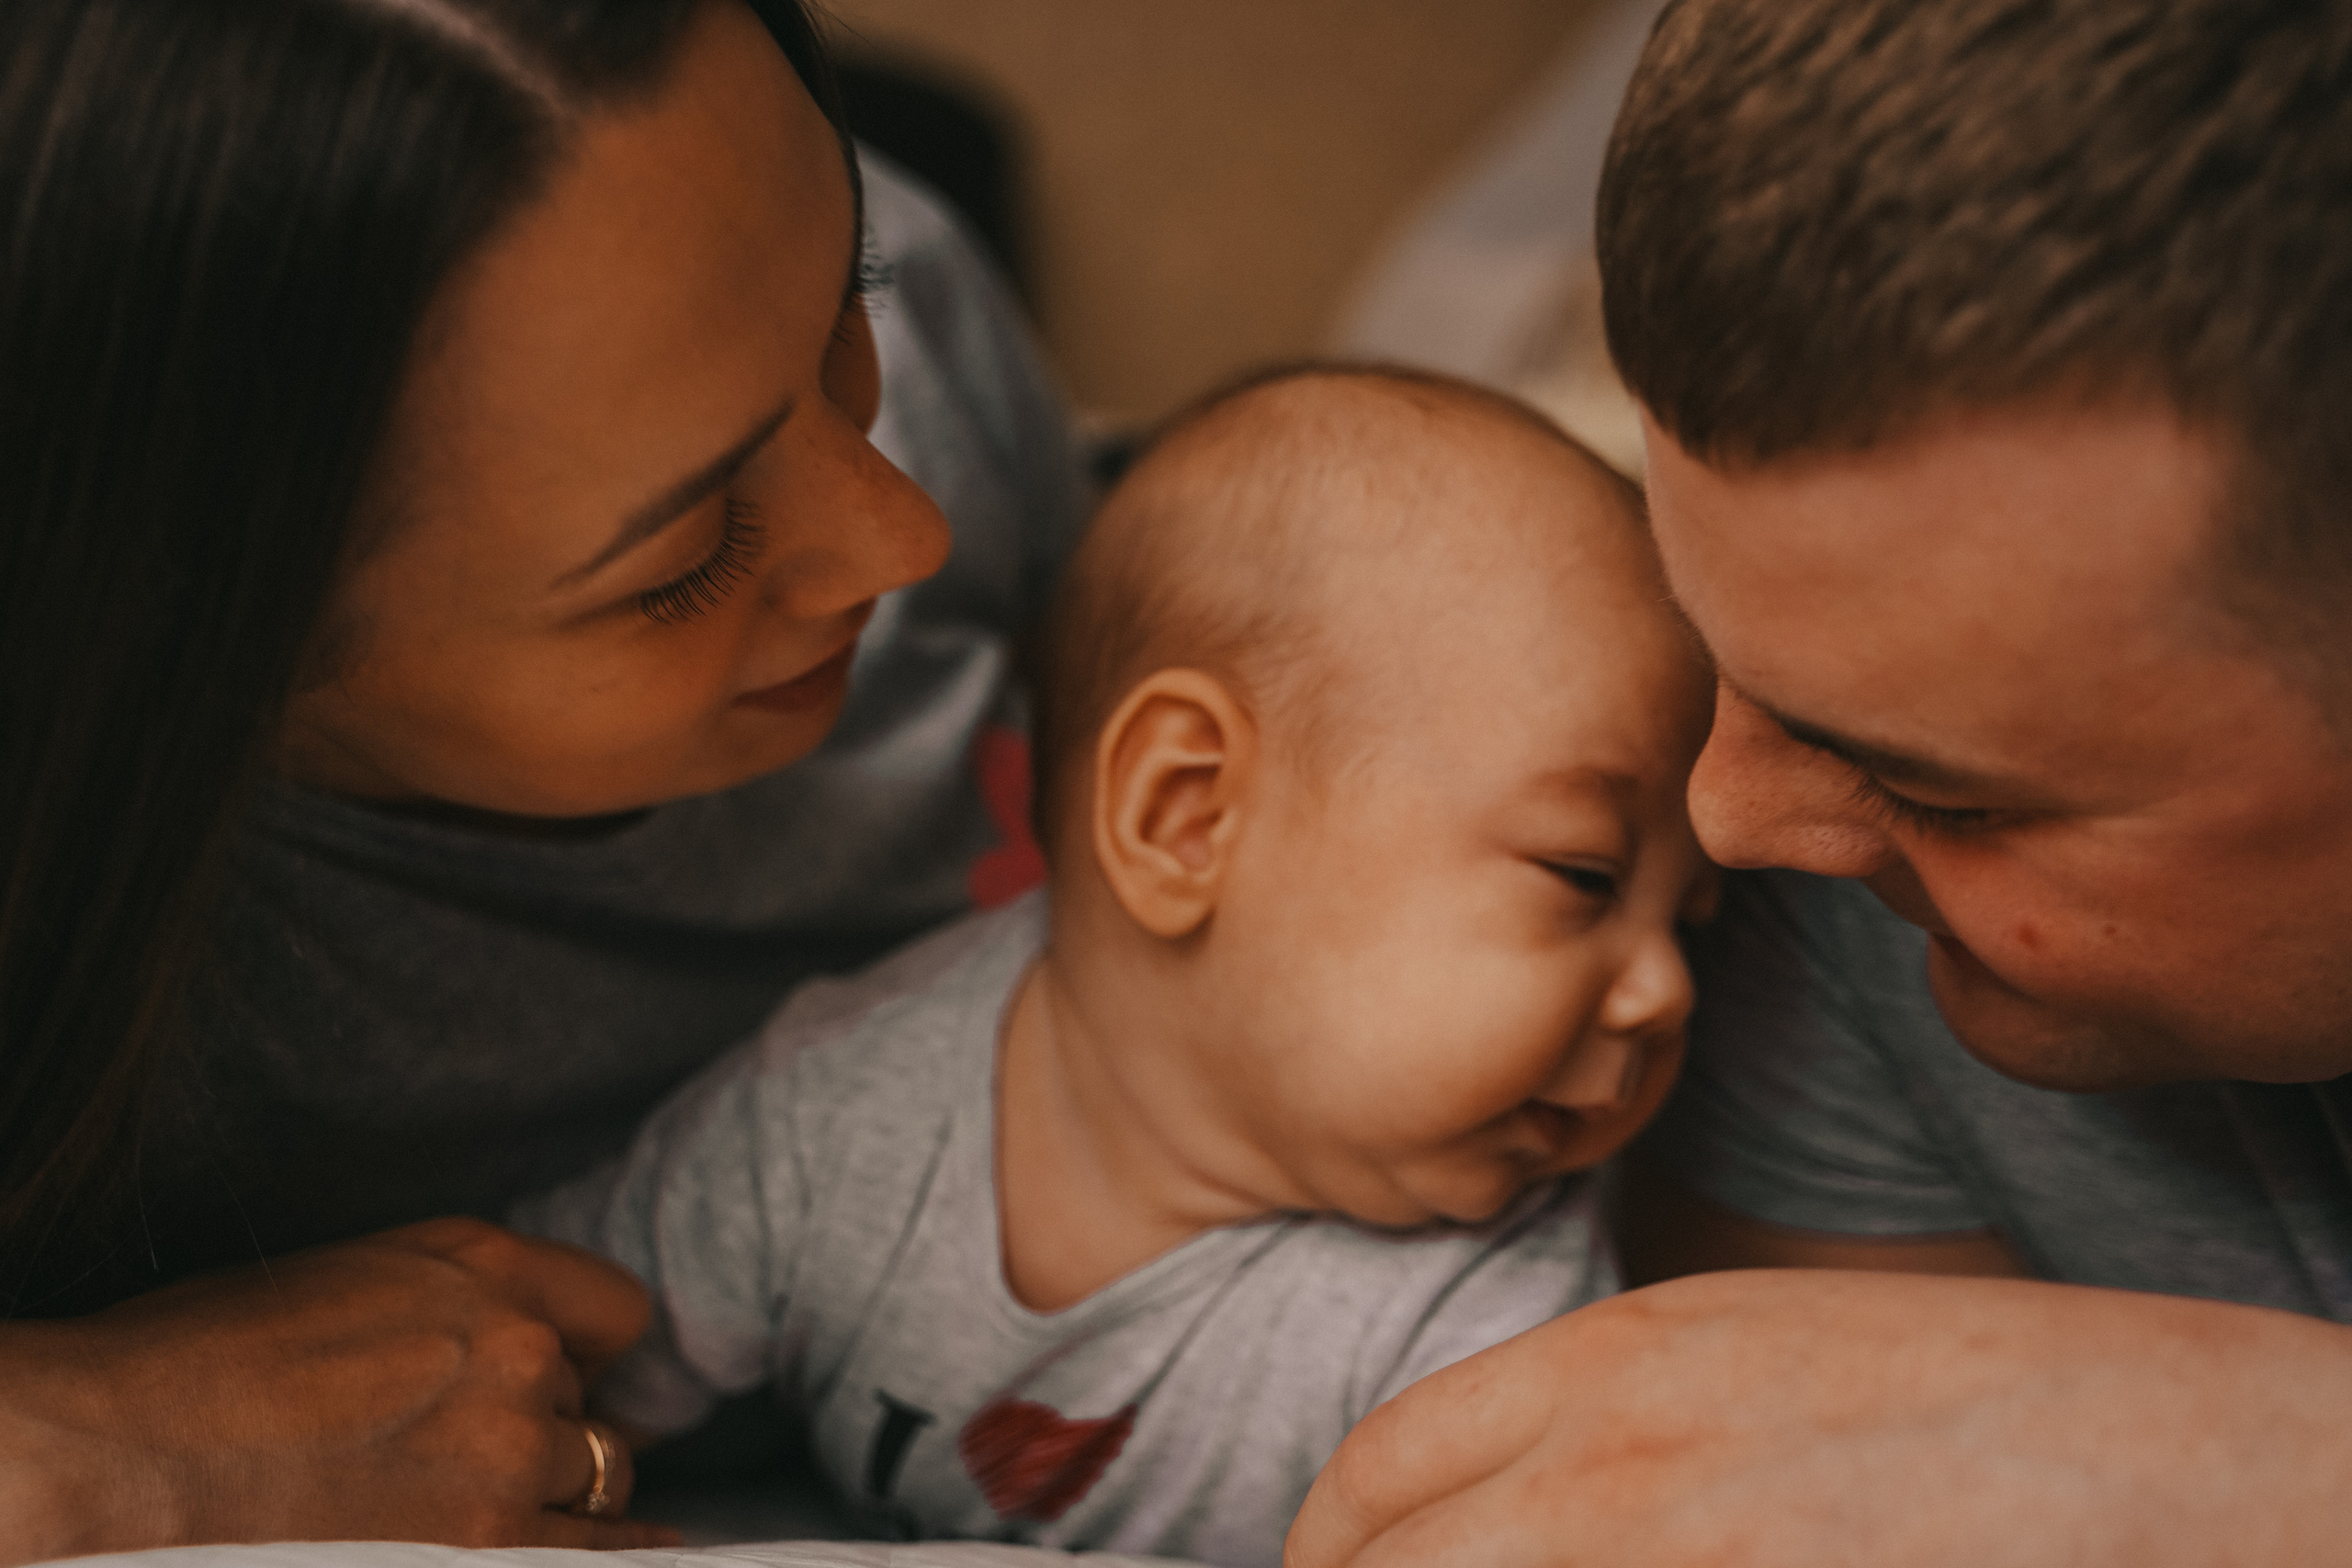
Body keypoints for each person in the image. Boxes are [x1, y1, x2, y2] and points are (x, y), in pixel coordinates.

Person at [0, 0, 1080, 1558]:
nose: (905, 538)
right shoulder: (123, 960)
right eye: (685, 559)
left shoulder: (854, 269)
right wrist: (98, 1442)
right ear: (196, 658)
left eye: (841, 318)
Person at [1284, 1, 2352, 1564]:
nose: (1727, 820)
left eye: (1950, 795)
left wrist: (2270, 1465)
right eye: (1714, 639)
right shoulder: (1867, 923)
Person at [516, 367, 1713, 1566]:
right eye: (1586, 875)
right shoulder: (822, 1123)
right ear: (1184, 816)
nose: (1666, 987)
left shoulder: (1494, 1308)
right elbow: (515, 1388)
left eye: (1695, 921)